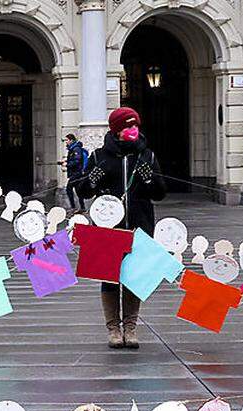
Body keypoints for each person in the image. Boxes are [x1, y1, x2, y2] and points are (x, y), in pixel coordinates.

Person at [77, 106, 167, 349]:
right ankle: (113, 329)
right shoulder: (99, 156)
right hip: (108, 227)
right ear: (117, 130)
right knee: (109, 279)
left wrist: (149, 179)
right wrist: (92, 178)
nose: (133, 130)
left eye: (135, 125)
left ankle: (130, 327)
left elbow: (160, 193)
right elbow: (83, 190)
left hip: (139, 225)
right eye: (128, 126)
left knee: (134, 278)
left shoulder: (146, 155)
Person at [59, 133, 88, 211]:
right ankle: (82, 207)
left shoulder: (76, 149)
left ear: (71, 140)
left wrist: (67, 164)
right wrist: (65, 161)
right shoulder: (73, 148)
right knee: (78, 190)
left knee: (69, 188)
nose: (66, 142)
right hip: (75, 173)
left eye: (67, 140)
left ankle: (73, 207)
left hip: (76, 173)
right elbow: (74, 159)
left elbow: (77, 161)